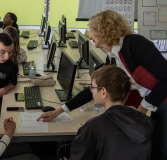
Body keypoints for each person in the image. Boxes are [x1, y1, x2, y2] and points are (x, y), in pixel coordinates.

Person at [37, 10, 167, 159]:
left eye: (92, 31)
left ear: (104, 30)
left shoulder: (135, 43)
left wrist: (143, 107)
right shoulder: (113, 57)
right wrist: (59, 111)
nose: (90, 36)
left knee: (161, 149)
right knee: (155, 146)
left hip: (162, 99)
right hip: (157, 101)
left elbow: (165, 76)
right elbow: (93, 88)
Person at [63, 65, 154, 160]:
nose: (92, 91)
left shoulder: (92, 128)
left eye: (92, 87)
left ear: (103, 92)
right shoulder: (145, 122)